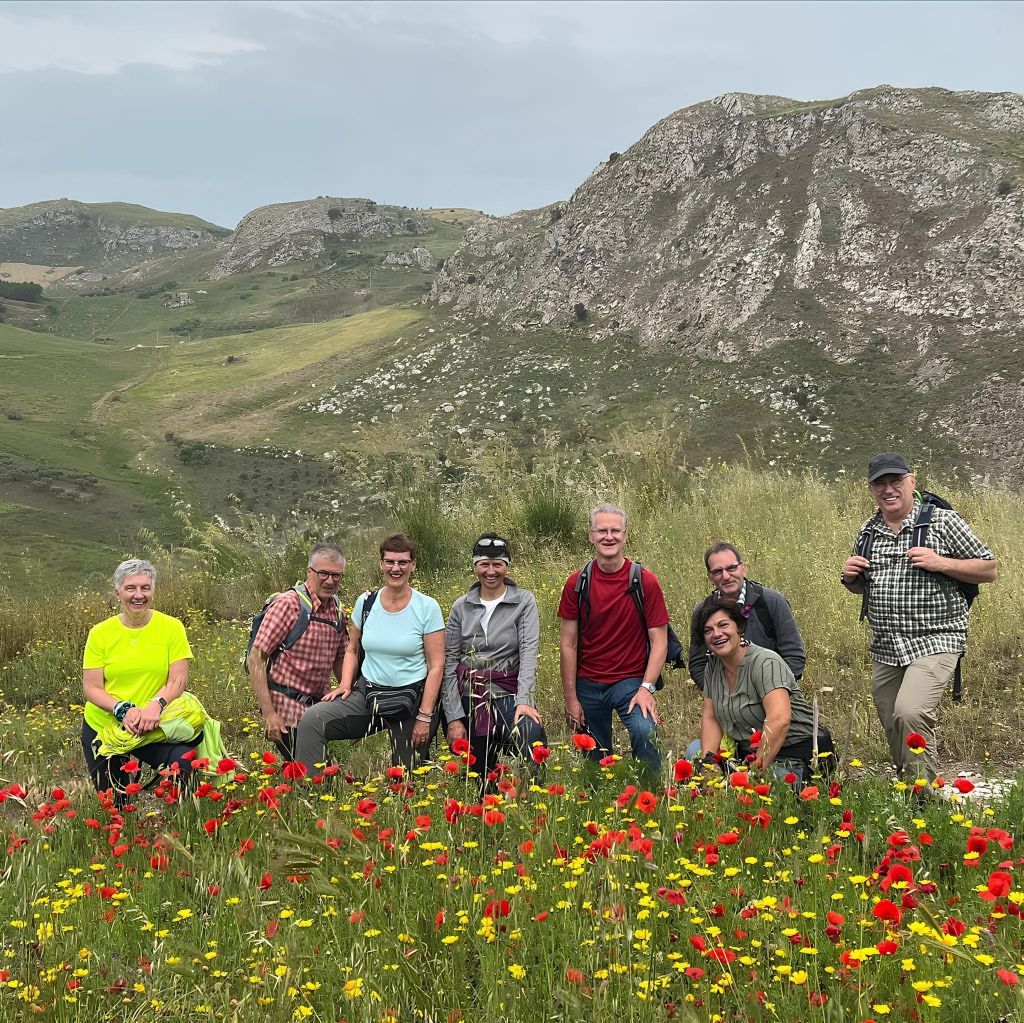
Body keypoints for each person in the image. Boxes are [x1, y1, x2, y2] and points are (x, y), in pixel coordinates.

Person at [841, 452, 996, 779]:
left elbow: (988, 568)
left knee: (910, 712)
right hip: (886, 646)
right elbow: (864, 588)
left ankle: (926, 799)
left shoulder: (941, 521)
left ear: (911, 481)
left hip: (936, 638)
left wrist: (942, 563)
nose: (888, 489)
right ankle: (910, 788)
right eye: (879, 484)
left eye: (895, 481)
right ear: (871, 489)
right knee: (892, 719)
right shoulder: (868, 531)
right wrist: (851, 579)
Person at [295, 533, 445, 774]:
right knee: (313, 721)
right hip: (369, 695)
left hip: (412, 700)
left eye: (403, 562)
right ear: (381, 564)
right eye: (390, 562)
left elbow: (437, 665)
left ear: (413, 565)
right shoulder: (366, 603)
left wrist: (425, 716)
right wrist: (345, 684)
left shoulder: (427, 607)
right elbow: (352, 648)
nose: (396, 568)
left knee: (405, 780)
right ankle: (313, 793)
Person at [558, 503, 668, 774]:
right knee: (593, 756)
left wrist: (646, 688)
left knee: (645, 733)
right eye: (602, 530)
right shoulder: (576, 584)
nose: (609, 536)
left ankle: (650, 796)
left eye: (615, 531)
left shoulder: (645, 582)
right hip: (588, 683)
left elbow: (660, 642)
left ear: (625, 535)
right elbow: (568, 644)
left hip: (630, 682)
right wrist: (571, 698)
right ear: (591, 536)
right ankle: (599, 805)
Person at [82, 559, 198, 797]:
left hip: (154, 722)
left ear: (153, 591)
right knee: (114, 805)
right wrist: (123, 710)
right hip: (106, 724)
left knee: (184, 764)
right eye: (131, 588)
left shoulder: (172, 628)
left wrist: (155, 706)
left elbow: (178, 680)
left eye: (145, 588)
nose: (138, 595)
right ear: (118, 594)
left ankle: (183, 825)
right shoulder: (100, 634)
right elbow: (92, 687)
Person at [441, 533, 547, 778]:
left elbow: (529, 653)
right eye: (484, 564)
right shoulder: (461, 607)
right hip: (470, 696)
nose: (491, 571)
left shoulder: (523, 601)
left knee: (531, 736)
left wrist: (524, 701)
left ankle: (537, 801)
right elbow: (449, 663)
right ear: (475, 566)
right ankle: (484, 806)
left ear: (506, 566)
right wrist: (454, 717)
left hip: (507, 693)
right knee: (479, 773)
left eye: (497, 564)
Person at [696, 597, 832, 782]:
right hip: (747, 751)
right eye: (708, 630)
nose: (717, 634)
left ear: (739, 628)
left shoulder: (765, 662)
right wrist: (708, 764)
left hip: (794, 750)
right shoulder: (712, 667)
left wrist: (752, 775)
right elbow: (711, 717)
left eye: (723, 625)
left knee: (768, 792)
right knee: (694, 751)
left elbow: (779, 720)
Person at [247, 543, 349, 761]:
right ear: (309, 572)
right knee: (312, 779)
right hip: (286, 710)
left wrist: (350, 708)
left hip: (318, 710)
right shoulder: (289, 604)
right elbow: (256, 658)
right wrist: (269, 714)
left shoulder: (337, 610)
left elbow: (342, 659)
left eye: (336, 575)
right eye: (323, 574)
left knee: (324, 780)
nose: (330, 581)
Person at [688, 542, 806, 690]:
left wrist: (775, 692)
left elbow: (794, 656)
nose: (726, 576)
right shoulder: (703, 612)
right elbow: (698, 665)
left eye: (732, 568)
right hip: (728, 701)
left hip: (775, 694)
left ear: (743, 568)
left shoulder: (771, 602)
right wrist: (719, 696)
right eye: (718, 571)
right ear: (710, 577)